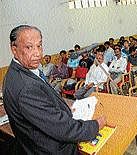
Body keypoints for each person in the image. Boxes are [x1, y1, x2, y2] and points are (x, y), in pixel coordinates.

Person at [3, 25, 106, 154]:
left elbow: (44, 102)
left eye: (39, 46)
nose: (37, 53)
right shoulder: (26, 87)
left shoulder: (14, 73)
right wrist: (95, 126)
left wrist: (63, 108)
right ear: (14, 49)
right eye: (29, 47)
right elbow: (62, 128)